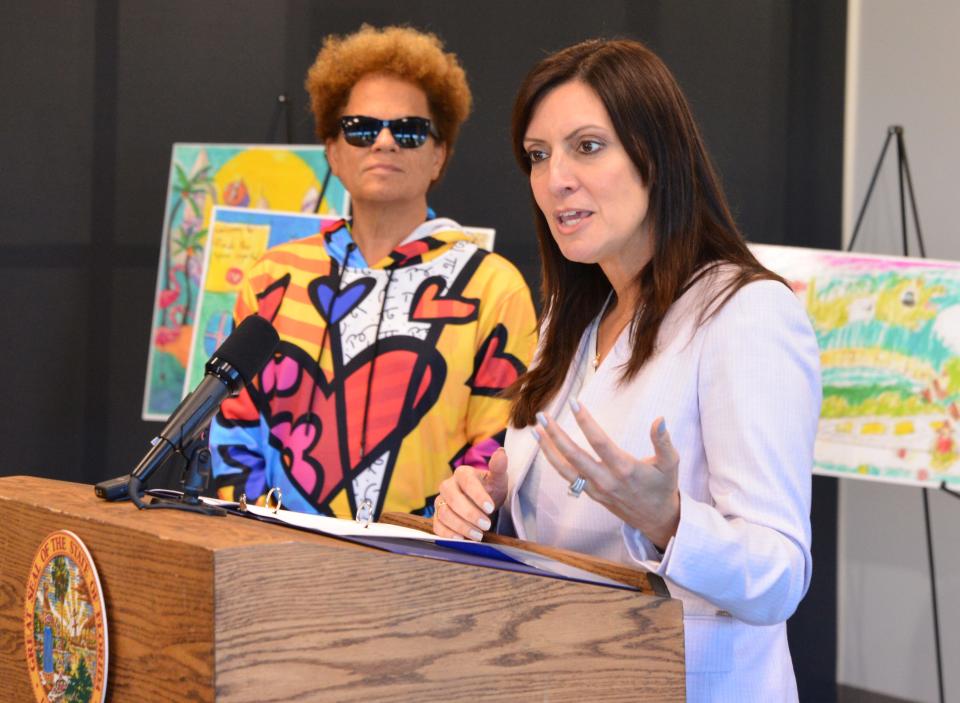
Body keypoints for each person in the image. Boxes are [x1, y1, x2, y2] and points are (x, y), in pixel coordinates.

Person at [432, 38, 821, 700]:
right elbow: (558, 520)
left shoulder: (746, 312)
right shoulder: (570, 318)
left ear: (659, 156)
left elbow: (781, 574)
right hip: (559, 671)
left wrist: (670, 520)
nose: (556, 178)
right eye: (538, 155)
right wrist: (490, 500)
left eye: (588, 146)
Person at [209, 25, 536, 520]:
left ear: (438, 154)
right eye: (361, 128)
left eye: (407, 130)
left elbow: (496, 447)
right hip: (272, 566)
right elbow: (234, 425)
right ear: (333, 152)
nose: (383, 141)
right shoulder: (272, 277)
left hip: (426, 575)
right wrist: (259, 540)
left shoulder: (493, 286)